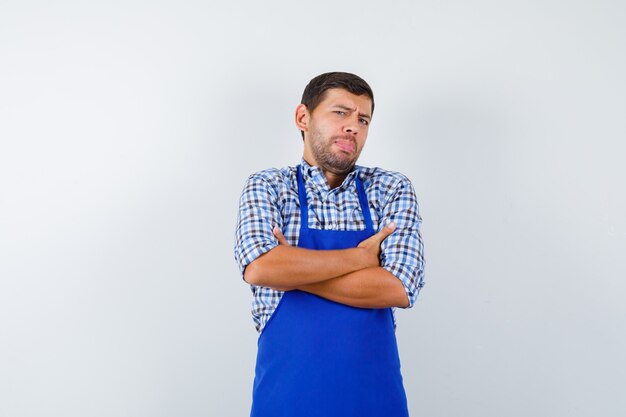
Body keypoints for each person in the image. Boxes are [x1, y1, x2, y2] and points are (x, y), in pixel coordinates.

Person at [234, 72, 425, 417]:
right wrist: (359, 258)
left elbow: (398, 287)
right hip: (285, 402)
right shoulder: (269, 186)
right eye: (340, 112)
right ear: (303, 118)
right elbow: (260, 267)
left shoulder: (390, 188)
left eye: (363, 119)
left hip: (374, 402)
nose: (353, 126)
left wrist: (291, 270)